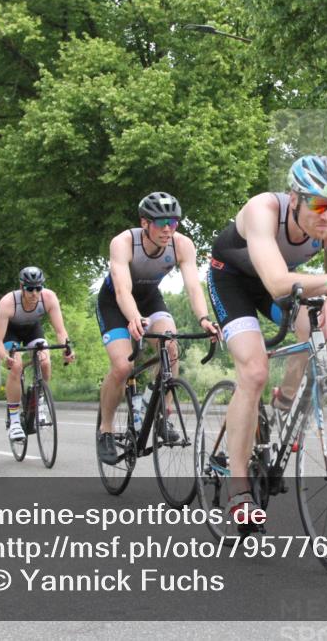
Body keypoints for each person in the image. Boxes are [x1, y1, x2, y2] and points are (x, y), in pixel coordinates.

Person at [207, 155, 327, 530]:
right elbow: (279, 281)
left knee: (320, 329)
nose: (326, 215)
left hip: (277, 287)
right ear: (294, 198)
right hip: (233, 281)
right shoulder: (262, 210)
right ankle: (238, 486)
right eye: (317, 204)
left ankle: (285, 400)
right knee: (253, 371)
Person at [95, 192, 219, 465]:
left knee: (170, 346)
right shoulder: (124, 242)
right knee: (122, 367)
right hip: (115, 303)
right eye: (161, 222)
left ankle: (161, 413)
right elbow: (122, 289)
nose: (168, 229)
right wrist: (133, 317)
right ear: (144, 222)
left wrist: (204, 318)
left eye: (173, 222)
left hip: (150, 298)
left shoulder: (182, 245)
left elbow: (192, 286)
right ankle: (105, 430)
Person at [0, 267, 75, 442]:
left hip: (33, 330)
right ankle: (14, 420)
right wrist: (4, 356)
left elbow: (60, 330)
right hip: (11, 332)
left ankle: (40, 402)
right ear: (22, 287)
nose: (34, 293)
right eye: (30, 289)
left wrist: (68, 349)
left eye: (38, 288)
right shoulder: (8, 303)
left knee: (44, 361)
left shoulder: (49, 298)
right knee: (16, 366)